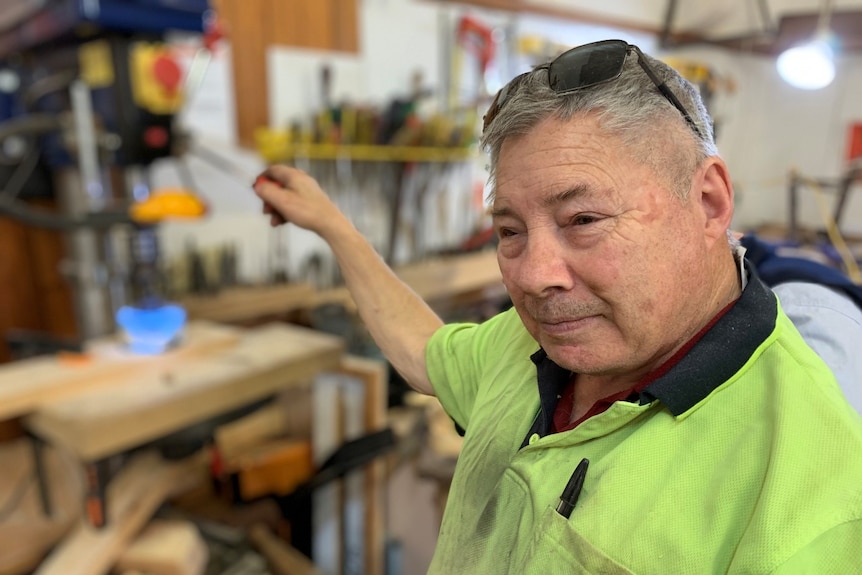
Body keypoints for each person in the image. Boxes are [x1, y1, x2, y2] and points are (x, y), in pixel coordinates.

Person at [254, 39, 862, 573]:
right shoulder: (524, 346)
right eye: (510, 230)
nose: (534, 276)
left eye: (584, 219)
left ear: (707, 201)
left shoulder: (811, 499)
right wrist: (335, 227)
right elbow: (423, 353)